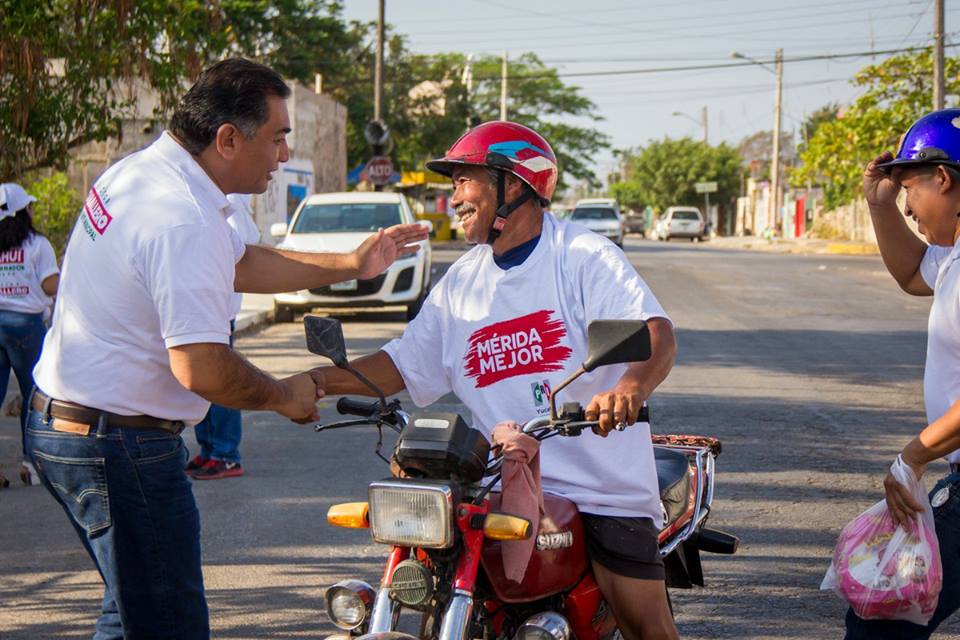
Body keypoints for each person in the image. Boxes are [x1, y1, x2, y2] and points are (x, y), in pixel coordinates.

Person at [24, 57, 427, 640]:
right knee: (169, 624)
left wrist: (351, 263)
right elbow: (203, 368)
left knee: (130, 609)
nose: (285, 154)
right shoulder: (180, 217)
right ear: (228, 138)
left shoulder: (149, 175)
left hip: (72, 423)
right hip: (117, 445)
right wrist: (282, 395)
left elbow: (240, 261)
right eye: (278, 137)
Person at [314, 121, 679, 640]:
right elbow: (402, 362)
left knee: (646, 626)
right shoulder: (462, 279)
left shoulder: (581, 256)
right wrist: (313, 382)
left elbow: (655, 333)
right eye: (454, 184)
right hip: (496, 482)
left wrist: (629, 388)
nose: (454, 196)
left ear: (514, 184)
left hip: (597, 486)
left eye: (465, 181)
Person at [846, 108, 960, 639]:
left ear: (942, 178)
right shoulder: (953, 252)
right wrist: (880, 206)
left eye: (909, 188)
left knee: (882, 616)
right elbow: (913, 275)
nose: (910, 207)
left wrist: (913, 456)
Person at [187, 193, 260, 480]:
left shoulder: (231, 213)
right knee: (204, 387)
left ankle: (226, 454)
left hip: (219, 313)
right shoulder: (217, 208)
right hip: (209, 313)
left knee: (223, 386)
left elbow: (233, 265)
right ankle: (208, 450)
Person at [0, 183, 59, 488]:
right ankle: (30, 464)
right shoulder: (38, 244)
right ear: (24, 211)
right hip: (26, 326)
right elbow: (50, 286)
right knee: (32, 396)